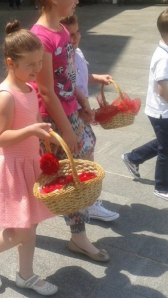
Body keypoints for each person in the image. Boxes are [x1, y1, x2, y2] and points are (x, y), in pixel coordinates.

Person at [27, 0, 109, 262]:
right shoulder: (40, 37)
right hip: (53, 118)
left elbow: (67, 78)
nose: (77, 0)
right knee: (69, 175)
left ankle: (69, 229)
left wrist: (81, 99)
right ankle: (75, 235)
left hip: (69, 110)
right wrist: (68, 129)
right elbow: (46, 90)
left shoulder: (61, 29)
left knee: (81, 160)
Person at [0, 21, 58, 295]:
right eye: (30, 65)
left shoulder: (29, 89)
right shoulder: (4, 96)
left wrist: (44, 134)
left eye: (39, 63)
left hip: (29, 165)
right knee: (19, 229)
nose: (37, 70)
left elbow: (33, 120)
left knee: (30, 225)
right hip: (11, 169)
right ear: (10, 63)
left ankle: (26, 275)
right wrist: (31, 130)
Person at [122, 7, 168, 204]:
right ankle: (162, 187)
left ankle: (132, 157)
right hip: (162, 111)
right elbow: (162, 91)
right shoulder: (163, 58)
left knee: (164, 143)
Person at [60, 15, 119, 222]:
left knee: (88, 149)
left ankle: (86, 200)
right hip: (73, 115)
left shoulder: (77, 53)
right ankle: (87, 202)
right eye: (69, 34)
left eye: (76, 32)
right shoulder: (62, 59)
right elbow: (63, 90)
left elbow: (82, 79)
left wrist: (98, 78)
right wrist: (78, 112)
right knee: (83, 156)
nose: (74, 38)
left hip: (82, 113)